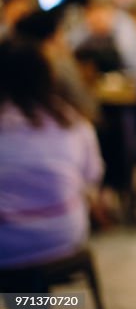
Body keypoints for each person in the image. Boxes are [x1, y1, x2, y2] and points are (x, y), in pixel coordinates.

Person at [0, 39, 104, 272]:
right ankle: (30, 304)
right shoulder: (71, 121)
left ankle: (23, 303)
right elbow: (92, 179)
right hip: (63, 234)